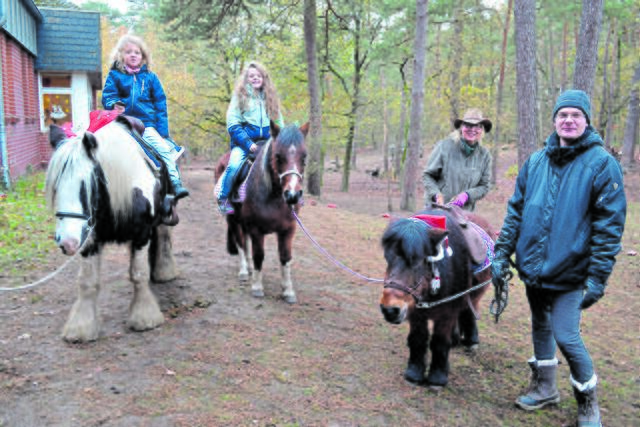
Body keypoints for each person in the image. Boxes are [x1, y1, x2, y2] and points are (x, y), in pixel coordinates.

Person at [491, 90, 626, 427]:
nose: (568, 120)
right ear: (554, 120)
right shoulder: (536, 162)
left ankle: (587, 402)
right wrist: (501, 253)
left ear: (586, 120)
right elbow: (516, 212)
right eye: (563, 115)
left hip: (571, 270)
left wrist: (598, 277)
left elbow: (609, 227)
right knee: (540, 326)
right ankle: (545, 389)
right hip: (533, 268)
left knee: (566, 335)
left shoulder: (602, 165)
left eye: (575, 115)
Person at [102, 34, 189, 200]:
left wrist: (162, 132)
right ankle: (102, 188)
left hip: (146, 125)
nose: (133, 55)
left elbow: (160, 104)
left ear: (143, 57)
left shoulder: (150, 77)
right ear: (121, 55)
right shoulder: (114, 76)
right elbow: (108, 95)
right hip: (123, 124)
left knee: (163, 150)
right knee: (105, 151)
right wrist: (114, 103)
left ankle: (174, 183)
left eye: (137, 52)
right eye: (128, 52)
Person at [216, 61, 284, 215]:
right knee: (234, 166)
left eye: (258, 75)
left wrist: (280, 139)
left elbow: (279, 121)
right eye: (251, 76)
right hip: (244, 143)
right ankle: (224, 197)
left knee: (284, 163)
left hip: (267, 143)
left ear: (264, 77)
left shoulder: (271, 98)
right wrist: (247, 143)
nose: (255, 78)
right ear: (246, 79)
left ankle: (289, 196)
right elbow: (233, 123)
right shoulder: (240, 97)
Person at [422, 108, 492, 211]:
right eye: (468, 125)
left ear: (481, 130)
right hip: (437, 210)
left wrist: (467, 195)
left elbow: (484, 186)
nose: (472, 129)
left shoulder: (484, 155)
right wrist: (436, 194)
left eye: (477, 126)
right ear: (461, 128)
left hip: (464, 215)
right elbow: (428, 176)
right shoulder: (444, 147)